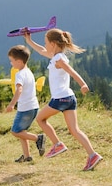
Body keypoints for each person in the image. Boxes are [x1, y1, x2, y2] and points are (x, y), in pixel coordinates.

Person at [24, 28, 103, 171]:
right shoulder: (57, 57)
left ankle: (57, 144)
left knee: (40, 119)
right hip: (69, 98)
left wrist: (83, 84)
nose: (45, 45)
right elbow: (42, 50)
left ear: (53, 44)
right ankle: (92, 155)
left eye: (46, 42)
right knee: (74, 130)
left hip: (60, 99)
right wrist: (29, 40)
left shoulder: (58, 59)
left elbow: (72, 71)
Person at [4, 45, 46, 162]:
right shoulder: (28, 72)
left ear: (18, 61)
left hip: (25, 108)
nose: (11, 64)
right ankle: (27, 156)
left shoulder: (20, 74)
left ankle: (38, 138)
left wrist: (12, 104)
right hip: (33, 107)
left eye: (12, 61)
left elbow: (19, 89)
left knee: (15, 131)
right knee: (22, 131)